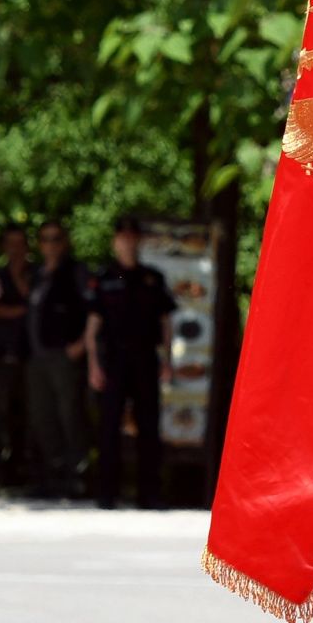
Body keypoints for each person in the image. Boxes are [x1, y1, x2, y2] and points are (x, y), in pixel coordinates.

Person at [87, 215, 177, 509]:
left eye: (132, 236)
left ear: (139, 240)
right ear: (115, 241)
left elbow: (165, 323)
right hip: (114, 360)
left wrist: (167, 359)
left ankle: (149, 493)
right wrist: (94, 364)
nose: (127, 242)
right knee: (109, 426)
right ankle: (106, 493)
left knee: (148, 425)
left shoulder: (152, 278)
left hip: (145, 359)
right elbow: (92, 329)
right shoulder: (105, 278)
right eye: (122, 237)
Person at [27, 222, 92, 496]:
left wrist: (81, 344)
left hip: (65, 356)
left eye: (55, 239)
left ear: (64, 242)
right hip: (38, 357)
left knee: (70, 414)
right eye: (45, 239)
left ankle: (77, 475)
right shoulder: (37, 274)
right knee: (43, 415)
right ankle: (51, 475)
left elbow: (94, 309)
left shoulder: (76, 272)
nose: (50, 245)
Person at [0, 225, 34, 492]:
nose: (15, 249)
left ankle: (21, 471)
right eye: (10, 243)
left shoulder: (35, 274)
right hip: (0, 354)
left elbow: (33, 303)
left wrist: (21, 281)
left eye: (20, 243)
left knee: (24, 416)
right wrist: (21, 310)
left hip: (29, 355)